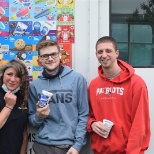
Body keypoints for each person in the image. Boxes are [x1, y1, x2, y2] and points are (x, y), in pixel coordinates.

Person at [87, 36, 151, 154]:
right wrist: (92, 124)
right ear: (96, 55)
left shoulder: (136, 83)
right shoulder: (94, 85)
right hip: (100, 151)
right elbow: (88, 114)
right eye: (100, 52)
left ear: (117, 53)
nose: (104, 55)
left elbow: (140, 124)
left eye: (108, 51)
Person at [28, 39, 89, 154]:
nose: (50, 59)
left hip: (69, 147)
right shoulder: (35, 85)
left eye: (53, 54)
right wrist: (39, 116)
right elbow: (32, 121)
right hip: (42, 146)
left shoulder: (77, 79)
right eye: (45, 56)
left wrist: (77, 145)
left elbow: (84, 114)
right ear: (40, 59)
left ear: (60, 55)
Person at [0, 59, 29, 154]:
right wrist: (8, 106)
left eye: (18, 76)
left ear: (22, 80)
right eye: (9, 74)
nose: (13, 79)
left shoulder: (22, 98)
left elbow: (23, 132)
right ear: (2, 75)